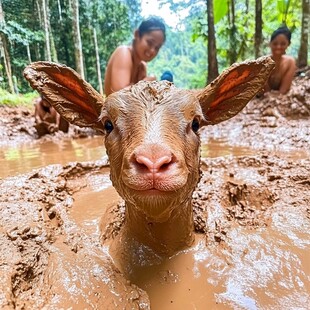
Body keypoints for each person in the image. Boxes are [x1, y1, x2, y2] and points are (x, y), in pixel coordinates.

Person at [104, 16, 166, 97]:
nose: (152, 51)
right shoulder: (124, 53)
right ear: (137, 34)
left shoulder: (142, 67)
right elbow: (118, 96)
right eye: (149, 43)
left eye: (157, 48)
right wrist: (146, 83)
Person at [264, 26, 296, 95]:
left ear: (288, 44)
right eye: (275, 43)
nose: (278, 47)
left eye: (283, 44)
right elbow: (264, 91)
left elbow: (283, 91)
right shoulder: (263, 62)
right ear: (270, 44)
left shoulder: (290, 62)